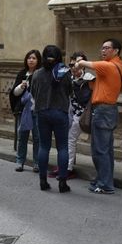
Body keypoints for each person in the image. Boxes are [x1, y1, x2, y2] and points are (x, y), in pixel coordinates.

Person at [74, 38, 122, 194]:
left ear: (116, 51)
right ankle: (104, 180)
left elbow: (87, 64)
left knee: (99, 150)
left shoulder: (109, 66)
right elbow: (95, 85)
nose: (103, 51)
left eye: (107, 48)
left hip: (103, 111)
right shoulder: (118, 66)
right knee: (106, 149)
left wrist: (79, 62)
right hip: (108, 110)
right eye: (102, 48)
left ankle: (105, 184)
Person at [30, 45, 72, 193]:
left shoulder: (37, 74)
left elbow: (33, 93)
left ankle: (43, 181)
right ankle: (62, 182)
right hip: (60, 112)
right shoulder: (65, 73)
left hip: (42, 112)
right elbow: (69, 91)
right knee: (62, 147)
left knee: (44, 147)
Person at [50, 52, 96, 180]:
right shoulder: (67, 77)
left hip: (83, 115)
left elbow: (88, 97)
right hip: (70, 113)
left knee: (75, 140)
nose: (74, 67)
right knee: (68, 139)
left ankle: (68, 168)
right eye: (72, 64)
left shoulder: (89, 78)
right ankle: (65, 166)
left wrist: (77, 83)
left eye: (78, 64)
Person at [9, 50, 42, 172]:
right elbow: (14, 93)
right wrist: (21, 87)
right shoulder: (22, 73)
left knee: (37, 138)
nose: (31, 60)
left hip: (37, 110)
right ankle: (20, 161)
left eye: (34, 58)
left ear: (38, 60)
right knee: (22, 136)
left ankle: (37, 163)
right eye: (29, 58)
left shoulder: (41, 74)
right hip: (24, 111)